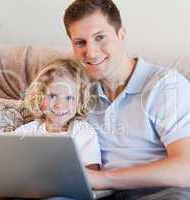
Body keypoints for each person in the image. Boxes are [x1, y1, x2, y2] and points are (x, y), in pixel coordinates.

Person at [64, 0, 190, 199]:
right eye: (80, 42)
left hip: (162, 193)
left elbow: (185, 169)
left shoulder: (165, 85)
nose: (91, 52)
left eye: (100, 37)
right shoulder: (78, 92)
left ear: (121, 34)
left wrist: (103, 178)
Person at [15, 58, 101, 170]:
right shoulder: (29, 131)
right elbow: (5, 151)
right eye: (52, 96)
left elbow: (93, 170)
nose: (59, 105)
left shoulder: (83, 131)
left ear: (80, 102)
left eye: (69, 97)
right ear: (39, 97)